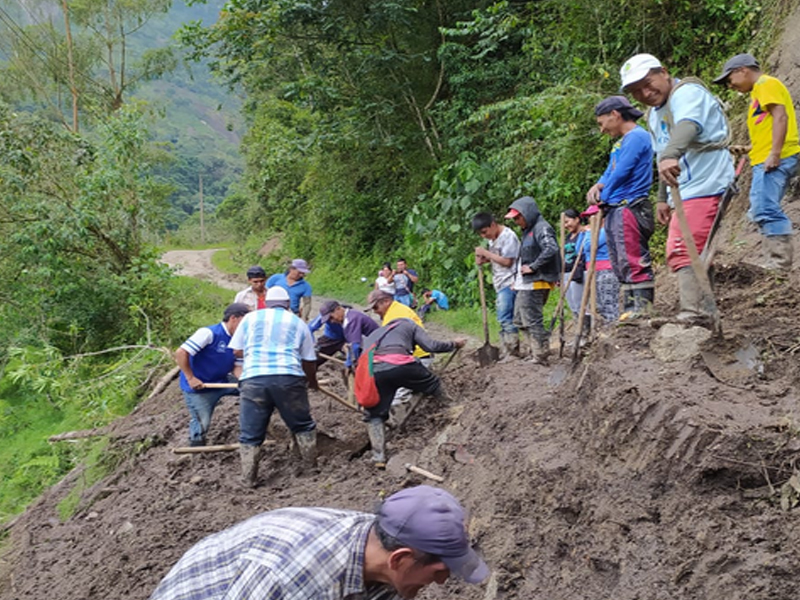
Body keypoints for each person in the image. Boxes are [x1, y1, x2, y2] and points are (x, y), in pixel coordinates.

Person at [149, 485, 489, 600]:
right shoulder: (291, 578)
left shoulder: (378, 548)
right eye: (440, 572)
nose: (441, 582)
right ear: (399, 559)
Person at [621, 53, 734, 325]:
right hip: (686, 190)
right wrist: (663, 198)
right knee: (694, 248)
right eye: (636, 91)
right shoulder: (654, 114)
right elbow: (663, 156)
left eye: (648, 84)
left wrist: (672, 154)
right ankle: (703, 310)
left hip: (708, 182)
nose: (645, 93)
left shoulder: (687, 93)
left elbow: (688, 125)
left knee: (684, 246)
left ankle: (695, 313)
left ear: (663, 72)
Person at [714, 53, 799, 270]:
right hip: (767, 156)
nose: (730, 85)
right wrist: (750, 148)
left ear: (742, 70)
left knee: (765, 208)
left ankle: (779, 263)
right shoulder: (758, 92)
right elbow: (770, 126)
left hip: (776, 158)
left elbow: (781, 117)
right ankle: (774, 260)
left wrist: (775, 153)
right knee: (761, 208)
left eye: (730, 79)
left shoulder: (765, 84)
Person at [362, 291, 466, 466]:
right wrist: (453, 344)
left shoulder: (378, 332)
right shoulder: (409, 324)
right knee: (433, 383)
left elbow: (364, 358)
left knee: (374, 414)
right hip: (402, 364)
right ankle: (456, 409)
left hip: (376, 370)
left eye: (376, 307)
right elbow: (431, 346)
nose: (376, 311)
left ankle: (378, 457)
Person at [228, 287, 319, 487]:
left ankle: (248, 478)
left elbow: (236, 350)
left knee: (250, 433)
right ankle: (310, 468)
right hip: (289, 378)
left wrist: (254, 350)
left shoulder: (250, 319)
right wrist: (311, 381)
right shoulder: (298, 322)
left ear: (266, 303)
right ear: (287, 304)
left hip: (254, 380)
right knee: (302, 425)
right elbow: (309, 360)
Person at [587, 96, 656, 316]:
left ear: (615, 115)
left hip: (630, 206)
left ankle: (642, 308)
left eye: (602, 123)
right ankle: (629, 308)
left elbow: (622, 171)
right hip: (616, 208)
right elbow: (610, 171)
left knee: (632, 258)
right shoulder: (621, 142)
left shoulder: (637, 137)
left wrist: (603, 196)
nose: (602, 129)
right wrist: (598, 185)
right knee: (620, 261)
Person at [175, 303, 251, 447]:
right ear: (233, 318)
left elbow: (237, 366)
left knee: (253, 390)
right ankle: (197, 447)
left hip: (222, 380)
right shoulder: (209, 333)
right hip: (200, 386)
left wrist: (244, 381)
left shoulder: (240, 339)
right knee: (202, 423)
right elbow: (181, 352)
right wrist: (190, 378)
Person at [505, 197, 560, 364]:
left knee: (532, 318)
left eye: (518, 217)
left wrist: (534, 266)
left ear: (527, 213)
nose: (516, 222)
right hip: (526, 282)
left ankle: (540, 353)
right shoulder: (528, 230)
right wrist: (517, 279)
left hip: (537, 281)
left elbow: (551, 248)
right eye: (514, 219)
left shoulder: (541, 227)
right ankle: (534, 350)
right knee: (519, 319)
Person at [472, 212, 522, 358]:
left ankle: (512, 351)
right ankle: (507, 349)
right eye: (480, 234)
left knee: (505, 317)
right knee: (503, 318)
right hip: (500, 282)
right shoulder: (493, 238)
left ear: (493, 225)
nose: (483, 236)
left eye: (484, 232)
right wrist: (485, 260)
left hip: (510, 281)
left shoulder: (508, 236)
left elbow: (508, 261)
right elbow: (498, 257)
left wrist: (486, 253)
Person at [577, 205, 621, 326]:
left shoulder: (606, 231)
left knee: (609, 302)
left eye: (593, 216)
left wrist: (588, 232)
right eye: (588, 217)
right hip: (593, 271)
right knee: (599, 304)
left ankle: (613, 328)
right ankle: (604, 328)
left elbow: (590, 246)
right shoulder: (591, 233)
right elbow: (579, 250)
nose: (590, 219)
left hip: (607, 271)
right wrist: (582, 234)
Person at [317, 300, 380, 366]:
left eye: (331, 317)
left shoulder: (351, 321)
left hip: (378, 347)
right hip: (371, 344)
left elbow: (355, 346)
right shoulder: (350, 315)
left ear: (338, 309)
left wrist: (351, 361)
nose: (332, 321)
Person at [561, 209, 586, 318]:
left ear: (577, 219)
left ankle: (584, 324)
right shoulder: (567, 237)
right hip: (566, 272)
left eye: (567, 222)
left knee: (579, 302)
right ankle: (576, 323)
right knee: (572, 304)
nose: (566, 225)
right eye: (564, 223)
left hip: (577, 272)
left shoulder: (584, 234)